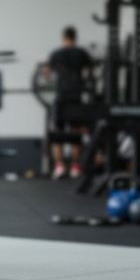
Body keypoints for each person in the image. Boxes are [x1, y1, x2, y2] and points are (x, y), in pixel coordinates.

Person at [48, 26, 93, 179]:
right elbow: (90, 72)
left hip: (60, 99)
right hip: (76, 98)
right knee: (76, 131)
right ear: (75, 38)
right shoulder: (82, 53)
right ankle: (75, 167)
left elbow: (46, 73)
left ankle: (60, 166)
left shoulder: (55, 54)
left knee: (57, 132)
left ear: (64, 38)